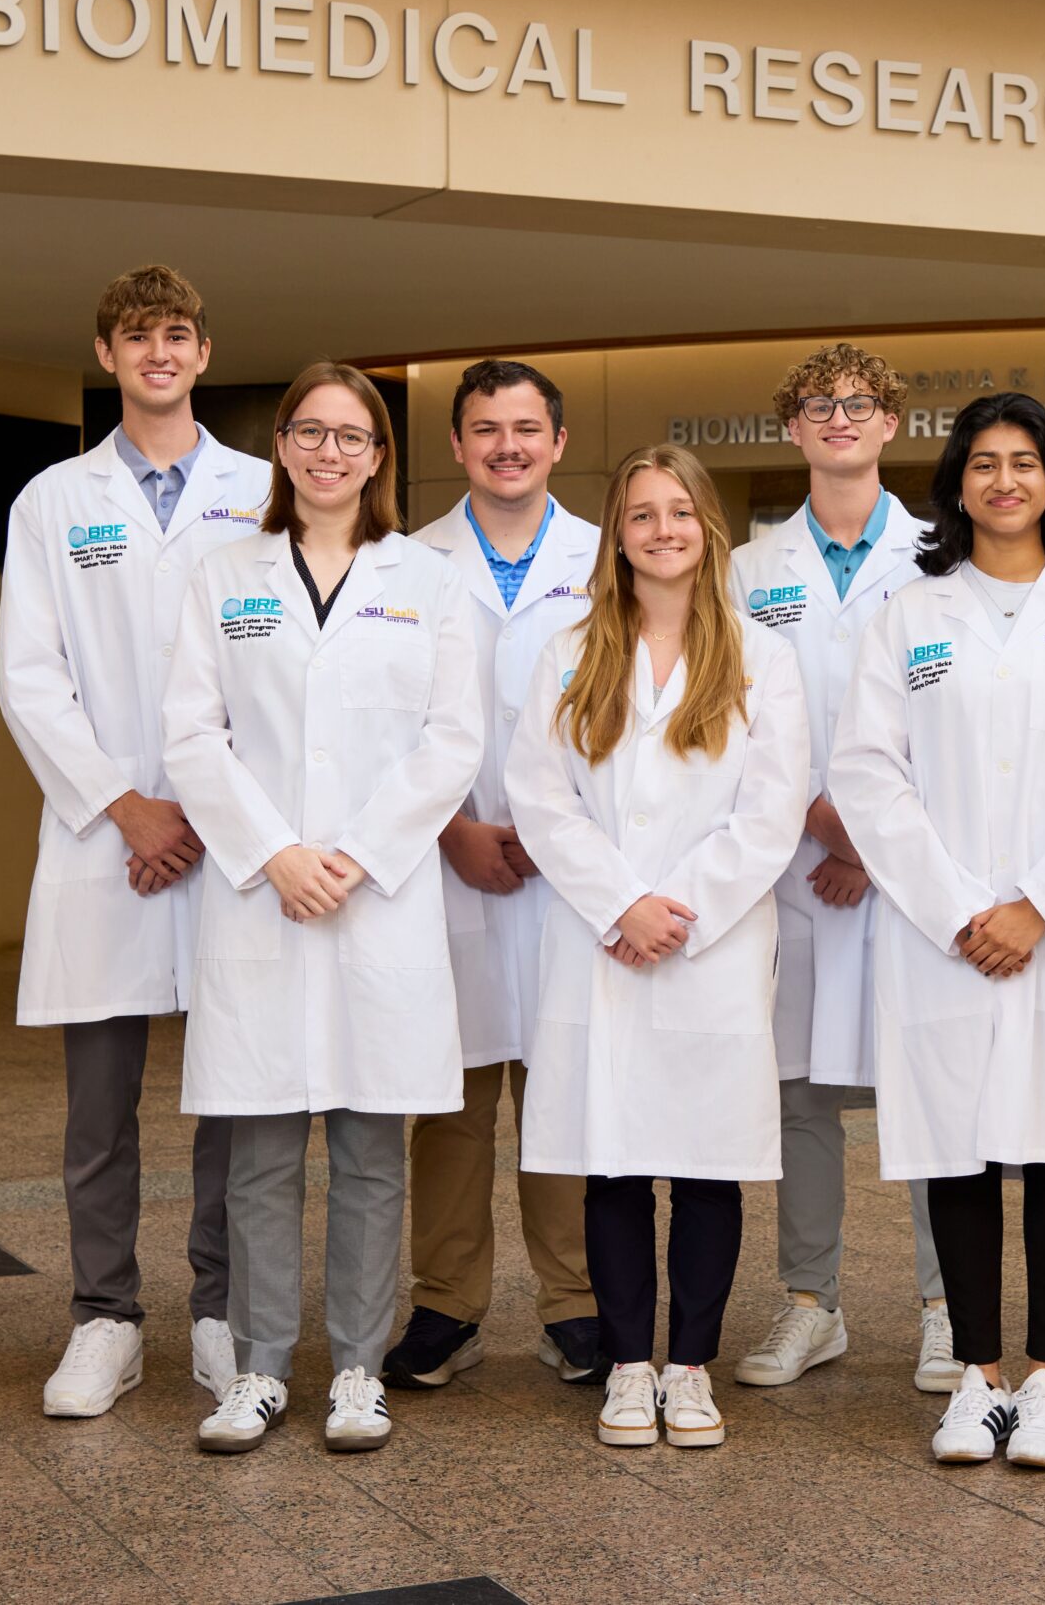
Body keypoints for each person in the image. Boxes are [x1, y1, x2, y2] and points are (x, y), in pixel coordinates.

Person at [827, 393, 1045, 1471]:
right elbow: (866, 770)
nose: (1003, 480)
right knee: (963, 1148)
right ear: (956, 484)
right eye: (982, 462)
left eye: (1023, 461)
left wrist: (1042, 905)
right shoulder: (910, 614)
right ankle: (976, 1378)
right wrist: (956, 908)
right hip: (944, 933)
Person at [161, 362, 484, 1455]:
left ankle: (356, 1369)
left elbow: (453, 739)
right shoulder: (223, 575)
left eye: (351, 436)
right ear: (282, 445)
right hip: (264, 898)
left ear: (379, 455)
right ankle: (258, 1371)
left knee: (369, 1150)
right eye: (309, 431)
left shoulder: (426, 579)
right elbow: (191, 735)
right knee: (257, 1154)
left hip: (373, 898)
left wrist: (352, 854)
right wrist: (274, 854)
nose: (329, 452)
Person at [0, 264, 270, 1419]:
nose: (159, 351)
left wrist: (204, 809)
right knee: (99, 1110)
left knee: (233, 1094)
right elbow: (29, 677)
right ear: (106, 354)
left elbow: (282, 674)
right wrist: (129, 804)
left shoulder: (264, 491)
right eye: (136, 334)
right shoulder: (53, 501)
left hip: (229, 841)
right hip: (108, 842)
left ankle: (220, 1311)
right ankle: (105, 1318)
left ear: (204, 351)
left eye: (177, 333)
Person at [504, 444, 809, 1450]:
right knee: (614, 1158)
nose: (661, 530)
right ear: (618, 534)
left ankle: (691, 1368)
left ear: (708, 528)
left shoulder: (763, 658)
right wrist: (620, 904)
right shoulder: (570, 651)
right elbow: (539, 797)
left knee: (709, 1161)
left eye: (679, 511)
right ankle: (630, 1365)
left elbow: (771, 813)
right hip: (602, 941)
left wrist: (675, 909)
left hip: (710, 944)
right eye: (641, 514)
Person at [726, 344, 957, 1395]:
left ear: (890, 423)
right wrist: (821, 820)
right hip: (794, 865)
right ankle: (811, 1302)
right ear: (792, 427)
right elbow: (735, 714)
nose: (839, 418)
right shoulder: (748, 568)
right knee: (801, 1095)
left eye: (859, 403)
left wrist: (872, 834)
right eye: (818, 404)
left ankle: (946, 1307)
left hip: (908, 867)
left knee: (925, 1088)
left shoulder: (940, 556)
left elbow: (953, 719)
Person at [394, 360, 603, 1391]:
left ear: (558, 442)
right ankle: (447, 1304)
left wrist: (558, 833)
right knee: (452, 1100)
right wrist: (452, 831)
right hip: (448, 862)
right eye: (486, 429)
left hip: (573, 872)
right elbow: (388, 722)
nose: (507, 446)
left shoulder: (607, 557)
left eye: (526, 428)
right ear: (457, 444)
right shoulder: (406, 564)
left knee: (566, 1092)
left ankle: (578, 1303)